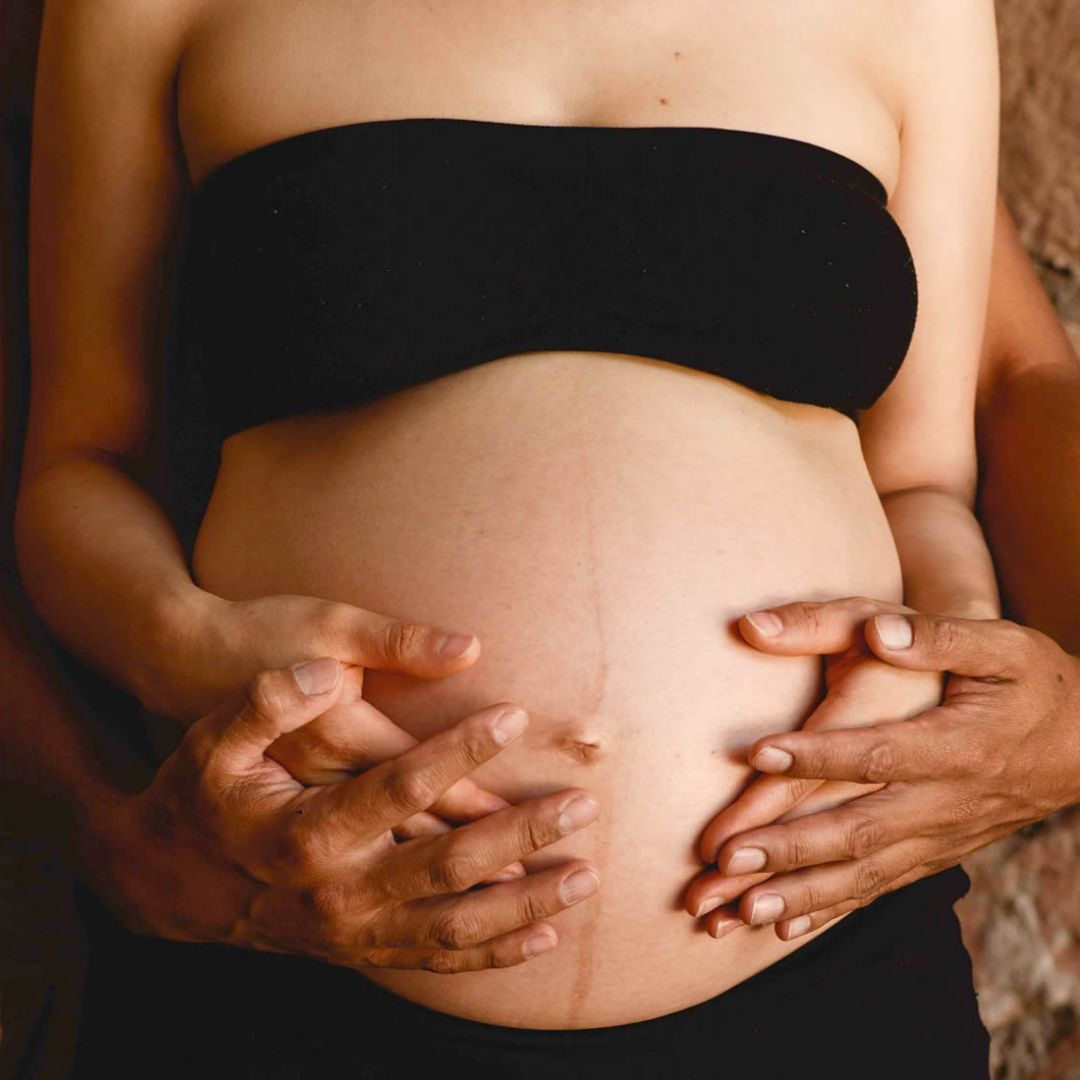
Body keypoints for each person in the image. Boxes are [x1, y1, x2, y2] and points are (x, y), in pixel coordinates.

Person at [6, 0, 1063, 1075]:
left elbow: (924, 477)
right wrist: (178, 641)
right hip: (288, 917)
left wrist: (945, 647)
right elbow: (80, 467)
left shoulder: (921, 13)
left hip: (822, 946)